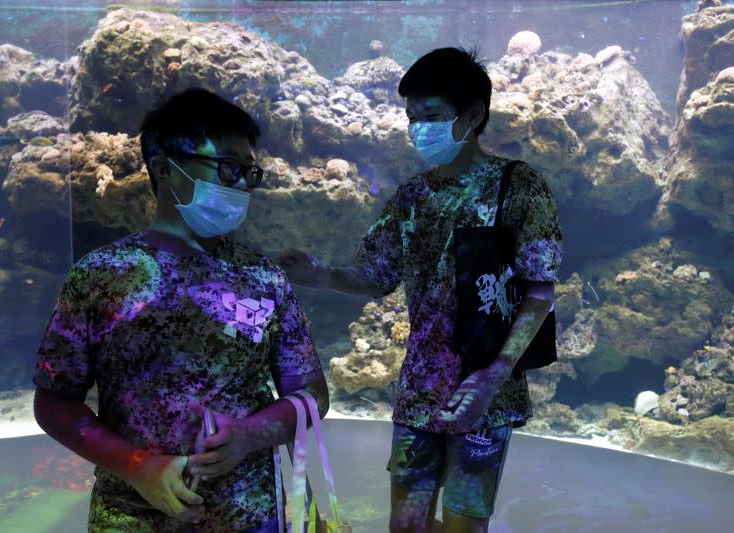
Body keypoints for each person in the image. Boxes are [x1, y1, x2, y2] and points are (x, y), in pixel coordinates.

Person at [277, 47, 563, 533]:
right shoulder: (412, 196)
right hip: (418, 392)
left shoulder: (520, 187)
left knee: (463, 524)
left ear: (473, 114)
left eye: (430, 116)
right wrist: (323, 274)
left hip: (486, 394)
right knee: (405, 525)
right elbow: (374, 276)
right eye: (412, 117)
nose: (418, 129)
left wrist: (495, 374)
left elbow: (540, 291)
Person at [32, 87, 328, 533]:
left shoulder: (264, 279)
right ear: (165, 170)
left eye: (250, 173)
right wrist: (134, 466)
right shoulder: (101, 275)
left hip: (247, 513)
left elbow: (312, 394)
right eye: (227, 167)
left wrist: (250, 435)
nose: (242, 185)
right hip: (129, 515)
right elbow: (54, 401)